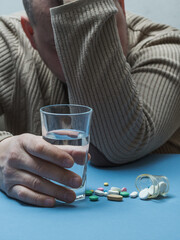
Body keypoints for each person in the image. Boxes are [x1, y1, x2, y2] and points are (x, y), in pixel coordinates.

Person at [0, 0, 179, 207]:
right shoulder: (8, 40)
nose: (77, 57)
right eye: (61, 46)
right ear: (30, 33)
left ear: (120, 6)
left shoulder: (168, 49)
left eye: (106, 32)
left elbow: (113, 147)